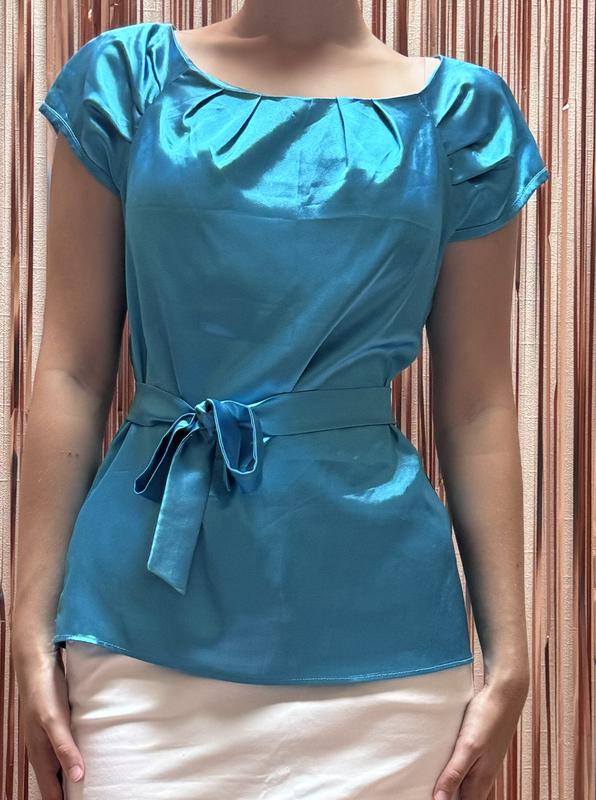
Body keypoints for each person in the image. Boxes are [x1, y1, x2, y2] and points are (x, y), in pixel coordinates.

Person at [13, 1, 549, 798]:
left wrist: (512, 660)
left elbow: (476, 405)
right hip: (138, 626)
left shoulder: (462, 119)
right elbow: (72, 370)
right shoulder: (127, 83)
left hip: (385, 650)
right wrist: (28, 627)